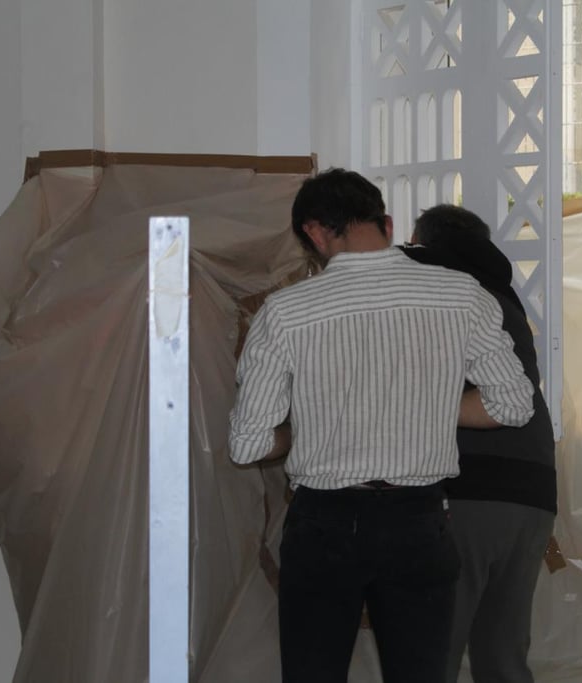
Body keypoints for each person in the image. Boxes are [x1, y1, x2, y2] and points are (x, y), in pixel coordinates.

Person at [228, 169, 536, 683]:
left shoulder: (286, 312)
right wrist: (427, 403)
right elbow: (513, 404)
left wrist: (301, 431)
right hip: (418, 521)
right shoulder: (461, 295)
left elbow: (248, 444)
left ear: (314, 233)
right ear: (387, 224)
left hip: (323, 524)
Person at [402, 204, 557, 683]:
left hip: (468, 488)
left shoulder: (431, 282)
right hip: (534, 492)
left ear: (422, 241)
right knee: (502, 655)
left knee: (432, 652)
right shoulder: (505, 297)